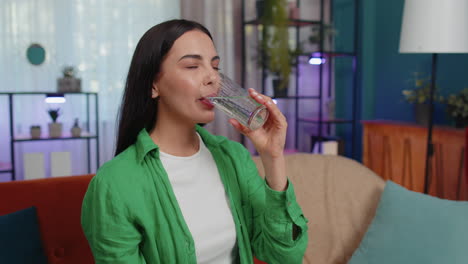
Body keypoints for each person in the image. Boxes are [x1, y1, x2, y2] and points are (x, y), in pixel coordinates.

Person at [81, 19, 308, 264]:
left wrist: (273, 157)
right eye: (192, 66)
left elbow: (284, 255)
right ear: (153, 85)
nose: (212, 78)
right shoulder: (114, 184)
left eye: (215, 67)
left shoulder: (234, 156)